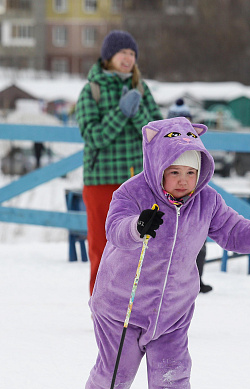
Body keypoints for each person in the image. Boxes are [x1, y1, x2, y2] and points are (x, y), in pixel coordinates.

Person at [75, 116, 250, 389]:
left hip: (173, 311)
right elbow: (115, 229)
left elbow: (233, 231)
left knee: (172, 375)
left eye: (191, 173)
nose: (183, 181)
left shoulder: (206, 201)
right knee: (116, 372)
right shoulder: (132, 192)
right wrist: (137, 226)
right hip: (121, 306)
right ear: (157, 166)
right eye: (174, 172)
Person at [75, 30, 162, 295]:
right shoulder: (92, 90)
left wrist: (136, 114)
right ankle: (100, 303)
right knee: (102, 246)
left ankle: (135, 304)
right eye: (122, 52)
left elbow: (156, 136)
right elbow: (94, 136)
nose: (128, 58)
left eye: (132, 53)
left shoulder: (141, 89)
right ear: (109, 56)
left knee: (140, 247)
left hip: (137, 182)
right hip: (101, 182)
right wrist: (121, 112)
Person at [166, 98, 212, 294]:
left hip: (192, 197)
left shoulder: (195, 142)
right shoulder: (164, 142)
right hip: (168, 199)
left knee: (198, 238)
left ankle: (197, 278)